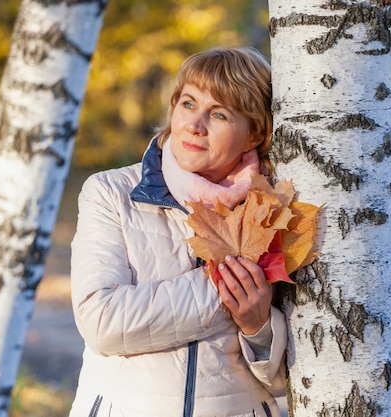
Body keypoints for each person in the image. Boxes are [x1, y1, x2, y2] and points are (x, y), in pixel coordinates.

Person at [68, 46, 287, 417]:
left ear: (254, 134)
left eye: (218, 113)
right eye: (188, 103)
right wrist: (223, 290)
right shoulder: (111, 193)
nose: (194, 125)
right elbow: (101, 321)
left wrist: (259, 328)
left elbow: (289, 379)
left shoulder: (273, 213)